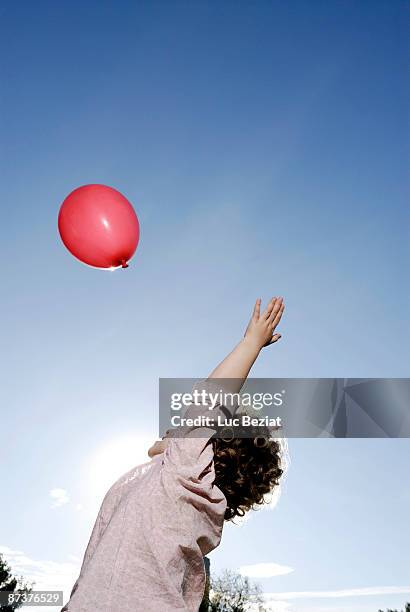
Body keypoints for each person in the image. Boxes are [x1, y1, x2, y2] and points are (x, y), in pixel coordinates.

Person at [62, 296, 285, 612]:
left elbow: (212, 397)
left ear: (207, 450)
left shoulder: (184, 473)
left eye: (193, 430)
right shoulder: (184, 494)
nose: (179, 424)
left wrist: (252, 342)